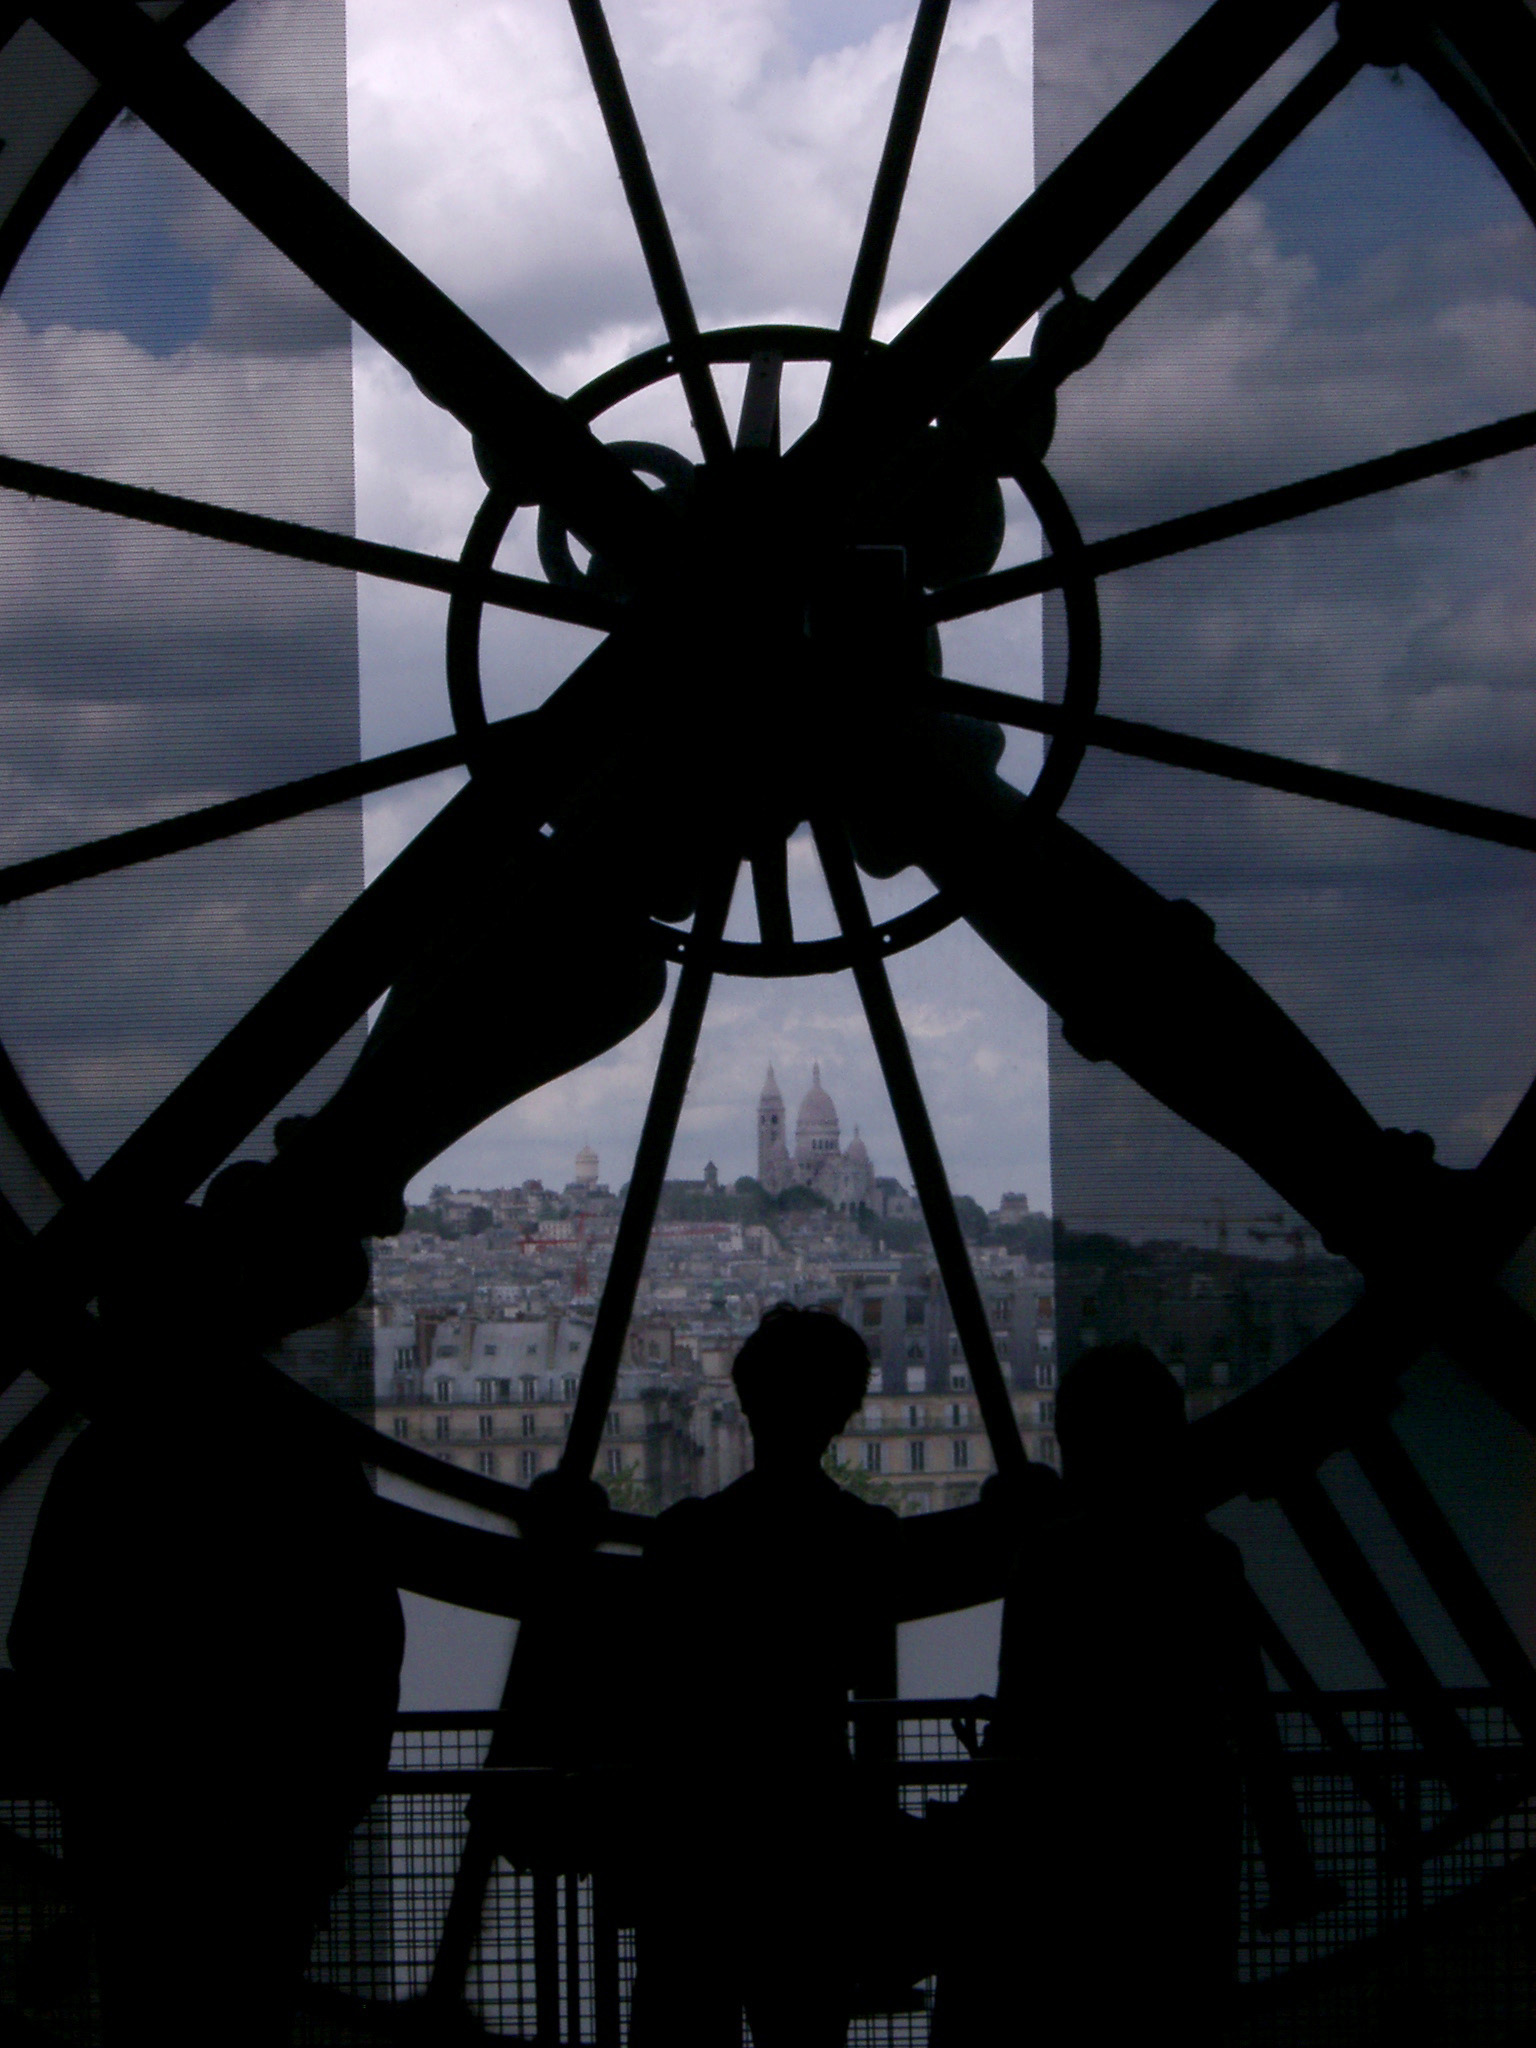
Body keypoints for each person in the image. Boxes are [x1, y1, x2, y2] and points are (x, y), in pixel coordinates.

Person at [8, 1201, 404, 2046]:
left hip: (138, 1845)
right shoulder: (307, 1466)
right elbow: (363, 1652)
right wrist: (316, 1820)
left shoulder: (105, 1463)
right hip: (268, 1851)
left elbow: (44, 1648)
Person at [935, 1343, 1262, 2048]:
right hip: (1180, 1845)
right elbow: (1241, 1711)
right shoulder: (1208, 1561)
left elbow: (1022, 1709)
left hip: (1064, 1853)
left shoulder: (1051, 1564)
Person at [628, 1303, 904, 2048]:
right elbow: (877, 1713)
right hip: (812, 1839)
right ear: (842, 1414)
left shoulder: (684, 1540)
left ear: (748, 1405)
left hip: (696, 1845)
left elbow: (651, 1705)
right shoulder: (864, 1541)